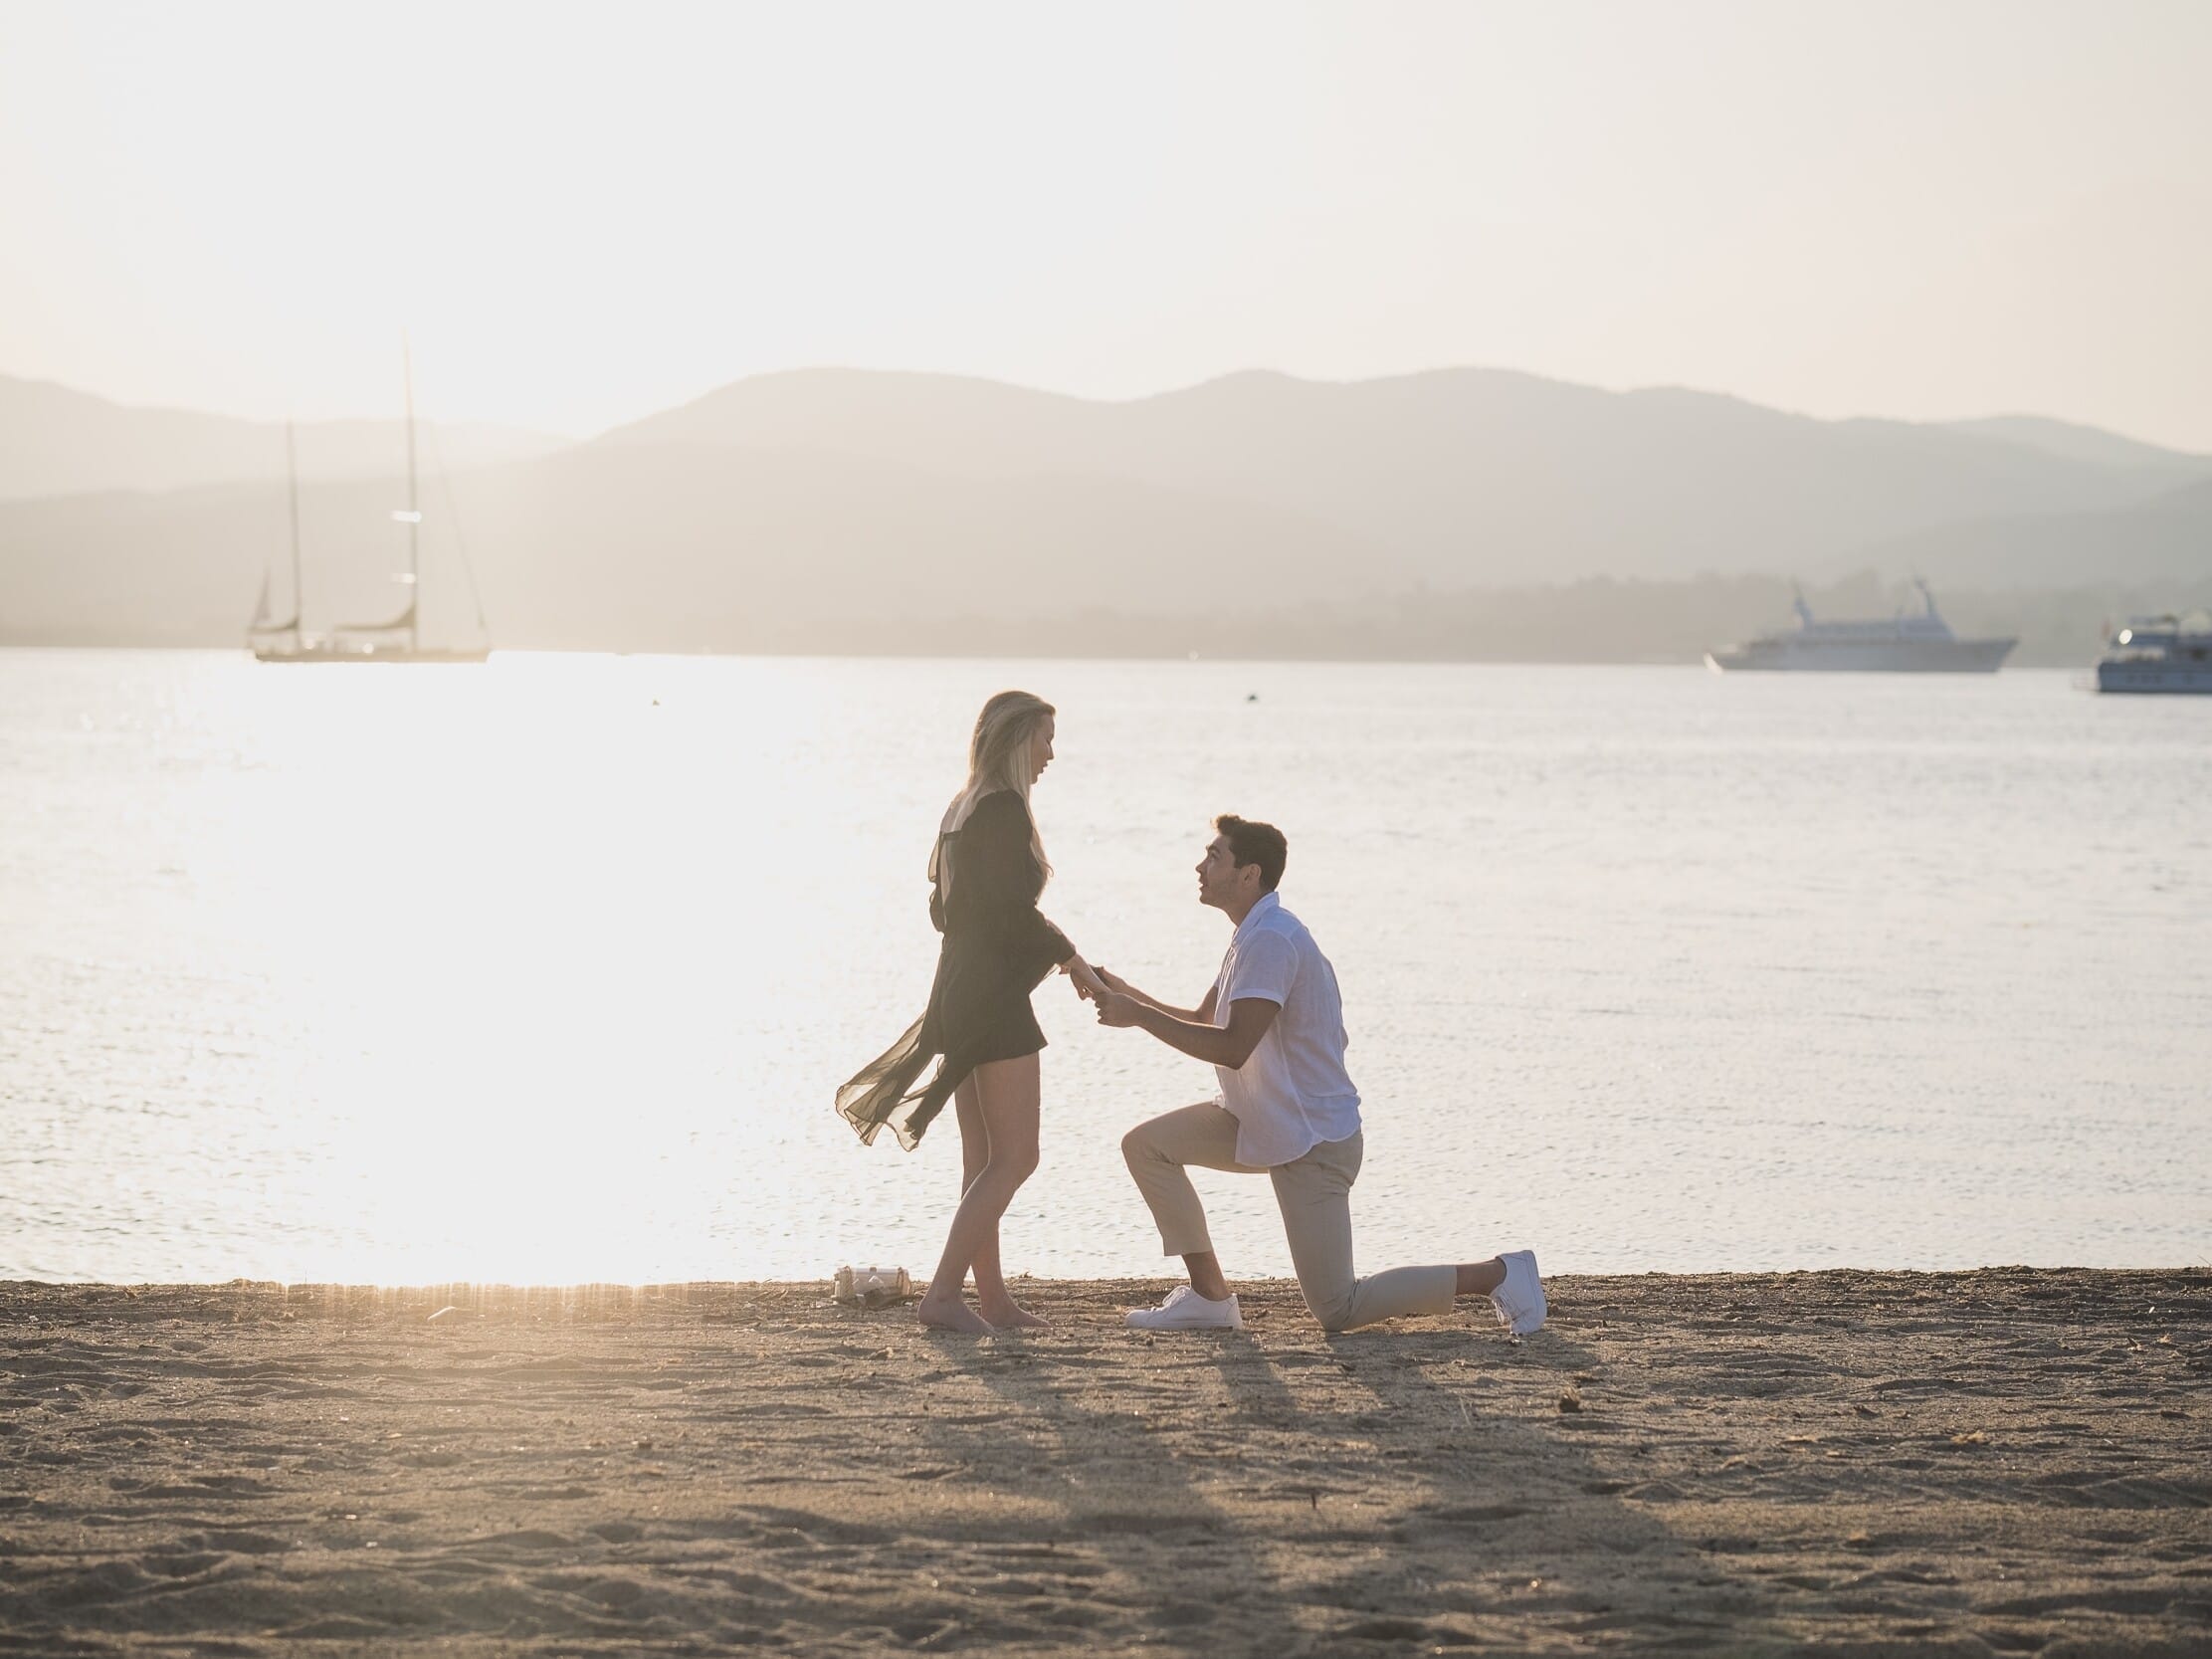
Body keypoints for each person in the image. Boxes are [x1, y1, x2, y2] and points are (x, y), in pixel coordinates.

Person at [1091, 815, 1545, 1336]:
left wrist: (1136, 1016)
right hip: (1260, 1118)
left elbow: (1235, 1048)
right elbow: (1202, 1021)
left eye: (1214, 856)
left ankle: (1500, 1274)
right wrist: (1125, 993)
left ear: (1248, 874)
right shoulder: (1251, 934)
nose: (1200, 865)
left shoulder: (1271, 941)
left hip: (1312, 1140)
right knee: (1147, 1147)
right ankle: (1210, 1298)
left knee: (1338, 1308)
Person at [837, 691, 1106, 1334]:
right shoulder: (1003, 810)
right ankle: (942, 1296)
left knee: (983, 1156)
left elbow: (945, 910)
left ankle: (993, 1300)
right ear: (1016, 739)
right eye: (1044, 738)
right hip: (988, 998)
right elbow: (1009, 912)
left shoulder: (962, 808)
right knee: (1017, 1157)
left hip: (958, 988)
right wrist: (1074, 962)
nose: (1050, 753)